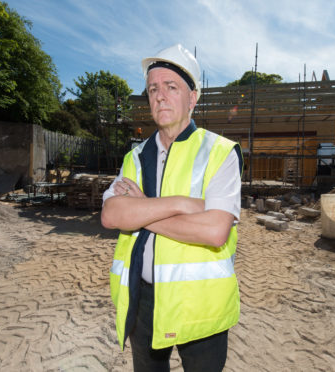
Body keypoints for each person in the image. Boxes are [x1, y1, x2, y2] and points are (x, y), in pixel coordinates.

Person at [101, 44, 242, 372]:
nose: (159, 96)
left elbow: (214, 231)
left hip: (201, 303)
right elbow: (111, 215)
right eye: (153, 89)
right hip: (143, 299)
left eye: (171, 87)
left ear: (193, 98)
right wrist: (180, 204)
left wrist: (142, 211)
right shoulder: (135, 158)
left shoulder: (220, 153)